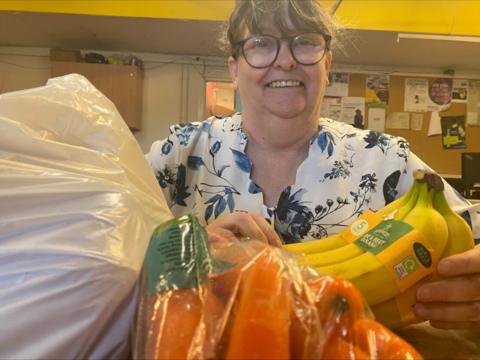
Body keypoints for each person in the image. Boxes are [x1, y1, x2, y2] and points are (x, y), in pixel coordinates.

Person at [146, 0, 480, 330]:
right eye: (262, 44)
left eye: (304, 42)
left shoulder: (387, 159)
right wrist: (187, 249)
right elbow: (102, 247)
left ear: (327, 63)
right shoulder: (180, 154)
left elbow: (469, 232)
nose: (287, 61)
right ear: (234, 67)